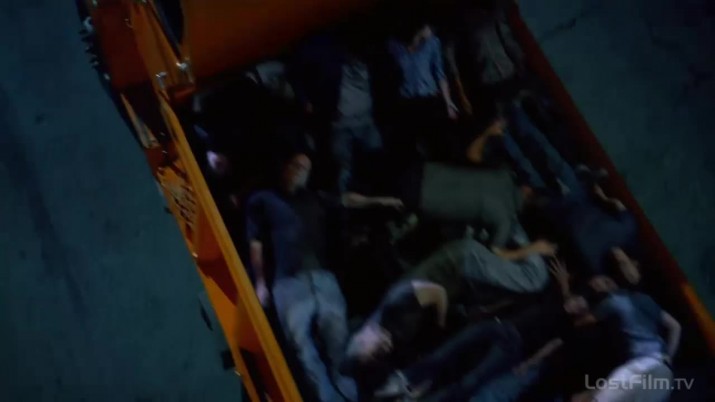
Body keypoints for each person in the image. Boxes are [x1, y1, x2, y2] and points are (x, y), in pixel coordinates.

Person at [246, 153, 403, 402]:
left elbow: (347, 200)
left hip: (322, 279)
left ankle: (350, 397)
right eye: (296, 165)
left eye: (305, 168)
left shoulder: (315, 198)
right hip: (289, 284)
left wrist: (380, 200)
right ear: (285, 166)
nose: (299, 171)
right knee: (304, 351)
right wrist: (260, 283)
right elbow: (256, 243)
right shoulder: (265, 199)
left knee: (339, 344)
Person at [373, 260, 590, 402]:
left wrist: (529, 363)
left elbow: (553, 344)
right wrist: (488, 312)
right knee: (447, 351)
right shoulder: (552, 294)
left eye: (580, 306)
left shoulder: (567, 324)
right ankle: (402, 380)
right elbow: (517, 299)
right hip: (501, 324)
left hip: (514, 345)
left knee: (471, 380)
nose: (576, 305)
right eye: (578, 301)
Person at [343, 237, 553, 374]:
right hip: (453, 275)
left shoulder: (398, 310)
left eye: (373, 352)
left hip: (455, 267)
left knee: (532, 281)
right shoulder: (394, 324)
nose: (378, 352)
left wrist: (440, 320)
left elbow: (438, 293)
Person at [571, 259, 681, 402]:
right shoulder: (637, 299)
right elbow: (675, 326)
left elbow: (581, 322)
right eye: (595, 285)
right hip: (648, 365)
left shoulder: (616, 301)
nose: (598, 285)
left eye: (601, 282)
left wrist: (667, 359)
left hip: (650, 364)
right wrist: (668, 357)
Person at [387, 21, 458, 160]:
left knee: (435, 140)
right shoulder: (395, 46)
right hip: (408, 100)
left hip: (428, 98)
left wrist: (448, 102)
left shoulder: (432, 43)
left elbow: (440, 73)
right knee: (412, 144)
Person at [444, 0, 525, 122]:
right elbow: (450, 56)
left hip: (506, 75)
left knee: (519, 115)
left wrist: (520, 64)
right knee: (514, 119)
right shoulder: (461, 27)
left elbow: (508, 41)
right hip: (494, 81)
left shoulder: (489, 15)